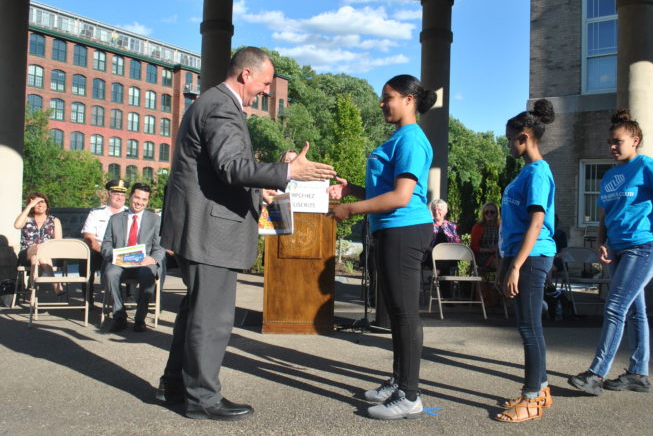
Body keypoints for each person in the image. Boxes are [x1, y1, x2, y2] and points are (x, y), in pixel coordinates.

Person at [156, 47, 335, 421]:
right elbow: (233, 167)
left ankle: (176, 386)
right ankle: (202, 398)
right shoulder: (222, 106)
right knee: (213, 318)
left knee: (194, 313)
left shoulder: (211, 102)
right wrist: (288, 173)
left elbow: (219, 172)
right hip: (211, 232)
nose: (266, 91)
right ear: (246, 75)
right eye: (265, 83)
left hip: (199, 226)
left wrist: (260, 189)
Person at [329, 74, 436, 420]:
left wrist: (349, 210)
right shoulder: (399, 137)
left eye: (387, 97)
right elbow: (383, 193)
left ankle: (410, 395)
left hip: (405, 231)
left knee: (405, 315)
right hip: (391, 231)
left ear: (408, 100)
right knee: (396, 313)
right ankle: (399, 380)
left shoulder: (412, 139)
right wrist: (353, 191)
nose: (381, 103)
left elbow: (402, 197)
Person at [568, 110, 653, 396]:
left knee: (614, 306)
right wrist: (601, 240)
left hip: (643, 247)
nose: (612, 147)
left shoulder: (647, 166)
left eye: (617, 142)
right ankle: (638, 374)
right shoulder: (610, 174)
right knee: (636, 312)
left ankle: (596, 374)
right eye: (609, 142)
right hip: (617, 249)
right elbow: (605, 212)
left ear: (634, 140)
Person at [495, 99, 556, 423]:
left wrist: (516, 266)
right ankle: (541, 389)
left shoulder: (538, 173)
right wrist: (505, 265)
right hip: (521, 256)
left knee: (530, 328)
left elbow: (536, 223)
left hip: (532, 258)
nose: (508, 144)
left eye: (510, 138)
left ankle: (531, 399)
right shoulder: (528, 172)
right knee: (528, 326)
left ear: (526, 135)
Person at [101, 182, 165, 333]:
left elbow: (159, 247)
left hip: (143, 263)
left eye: (144, 200)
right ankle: (119, 315)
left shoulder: (155, 220)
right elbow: (106, 244)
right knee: (110, 273)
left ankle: (140, 319)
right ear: (130, 197)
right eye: (137, 198)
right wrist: (113, 255)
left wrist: (153, 259)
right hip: (119, 263)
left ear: (148, 201)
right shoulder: (115, 219)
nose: (140, 202)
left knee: (148, 275)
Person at [81, 179, 129, 303]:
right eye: (116, 194)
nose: (120, 197)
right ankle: (87, 298)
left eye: (122, 195)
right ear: (109, 194)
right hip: (99, 251)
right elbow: (88, 236)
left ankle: (130, 296)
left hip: (123, 251)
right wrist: (104, 251)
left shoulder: (130, 214)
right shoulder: (96, 213)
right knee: (85, 260)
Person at [14, 192, 63, 294]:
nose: (40, 205)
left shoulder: (54, 220)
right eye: (37, 203)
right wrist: (29, 206)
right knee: (38, 248)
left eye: (42, 202)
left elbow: (58, 242)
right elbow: (17, 225)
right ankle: (56, 283)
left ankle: (33, 290)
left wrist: (43, 248)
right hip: (26, 254)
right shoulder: (27, 219)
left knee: (36, 258)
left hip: (48, 255)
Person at [426, 199, 461, 299]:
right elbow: (423, 244)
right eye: (434, 209)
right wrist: (434, 251)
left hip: (450, 256)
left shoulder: (452, 226)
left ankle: (438, 272)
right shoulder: (427, 225)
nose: (436, 211)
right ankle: (447, 296)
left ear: (445, 211)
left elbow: (458, 243)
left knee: (443, 263)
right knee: (442, 263)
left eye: (439, 209)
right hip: (431, 255)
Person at [470, 202, 500, 271]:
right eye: (486, 212)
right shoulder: (478, 227)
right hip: (483, 256)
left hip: (498, 254)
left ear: (496, 214)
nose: (489, 214)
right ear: (483, 214)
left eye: (492, 212)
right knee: (500, 263)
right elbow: (474, 247)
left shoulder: (500, 226)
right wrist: (489, 250)